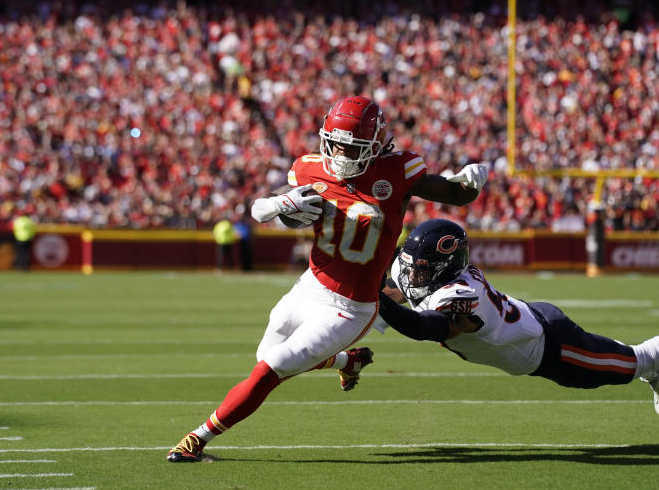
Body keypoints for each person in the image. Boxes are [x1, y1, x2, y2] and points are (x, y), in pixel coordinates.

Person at [167, 95, 489, 462]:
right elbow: (261, 206)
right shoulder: (311, 168)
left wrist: (471, 182)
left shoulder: (397, 172)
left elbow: (452, 193)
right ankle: (347, 361)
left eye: (352, 148)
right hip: (310, 285)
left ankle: (196, 439)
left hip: (352, 307)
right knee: (265, 356)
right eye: (335, 143)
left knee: (270, 370)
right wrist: (277, 205)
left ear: (376, 145)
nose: (340, 153)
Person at [377, 219, 659, 417]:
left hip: (551, 347)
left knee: (634, 359)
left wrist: (376, 299)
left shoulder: (460, 296)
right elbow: (387, 292)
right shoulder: (441, 279)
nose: (412, 277)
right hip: (533, 323)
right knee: (635, 364)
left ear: (446, 266)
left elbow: (422, 327)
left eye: (422, 270)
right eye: (412, 268)